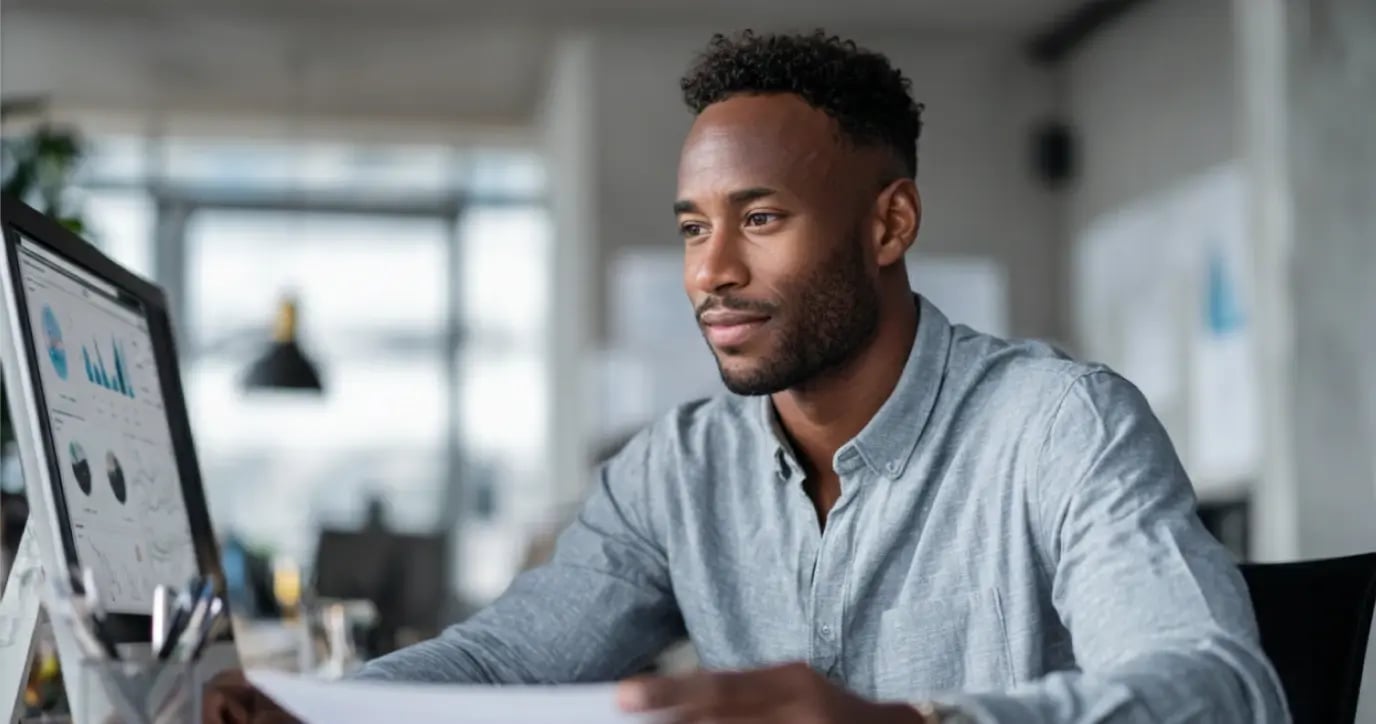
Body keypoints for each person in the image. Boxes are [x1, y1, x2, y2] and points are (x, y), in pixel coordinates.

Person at [205, 30, 1288, 723]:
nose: (711, 273)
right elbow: (505, 662)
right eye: (691, 229)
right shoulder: (671, 470)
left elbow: (1220, 685)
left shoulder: (1060, 425)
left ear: (887, 222)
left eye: (759, 219)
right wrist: (307, 705)